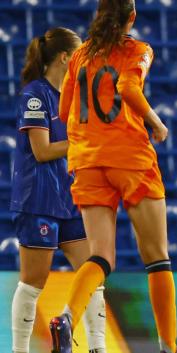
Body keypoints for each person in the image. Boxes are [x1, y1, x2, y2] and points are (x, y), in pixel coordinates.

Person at [47, 1, 177, 352]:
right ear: (132, 16)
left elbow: (64, 111)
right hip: (130, 158)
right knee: (157, 257)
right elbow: (129, 89)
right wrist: (157, 124)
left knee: (100, 257)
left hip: (86, 160)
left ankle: (66, 317)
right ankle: (168, 347)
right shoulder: (138, 50)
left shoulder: (81, 54)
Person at [9, 28, 106, 353]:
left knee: (92, 275)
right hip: (38, 199)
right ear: (65, 58)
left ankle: (98, 347)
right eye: (80, 55)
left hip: (69, 198)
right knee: (33, 281)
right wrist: (84, 141)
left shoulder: (74, 96)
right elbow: (42, 150)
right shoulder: (35, 95)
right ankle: (20, 350)